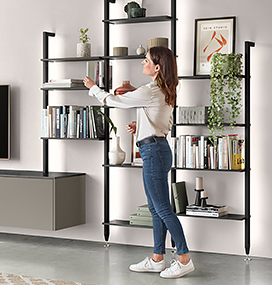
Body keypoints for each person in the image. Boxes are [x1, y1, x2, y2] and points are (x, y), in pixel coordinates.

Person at [83, 46, 195, 279]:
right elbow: (164, 122)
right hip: (157, 149)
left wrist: (93, 88)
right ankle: (157, 259)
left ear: (157, 67)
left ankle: (184, 259)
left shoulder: (151, 90)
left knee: (162, 208)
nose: (142, 63)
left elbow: (113, 100)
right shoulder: (165, 90)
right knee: (155, 208)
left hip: (154, 151)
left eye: (145, 60)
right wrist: (141, 126)